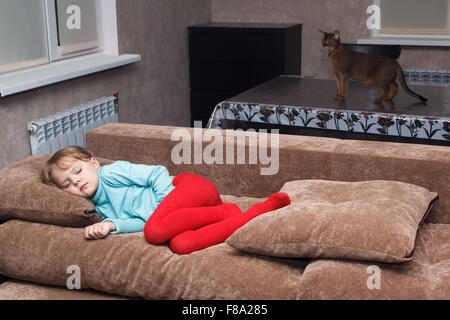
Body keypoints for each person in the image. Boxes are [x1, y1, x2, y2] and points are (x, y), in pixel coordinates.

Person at [40, 146, 290, 254]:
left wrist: (163, 207)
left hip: (191, 189)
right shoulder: (101, 208)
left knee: (155, 231)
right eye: (67, 184)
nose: (76, 182)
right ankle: (254, 212)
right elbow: (140, 221)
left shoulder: (110, 173)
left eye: (77, 171)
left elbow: (156, 173)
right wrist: (113, 225)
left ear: (93, 163)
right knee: (181, 244)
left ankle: (224, 213)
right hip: (187, 217)